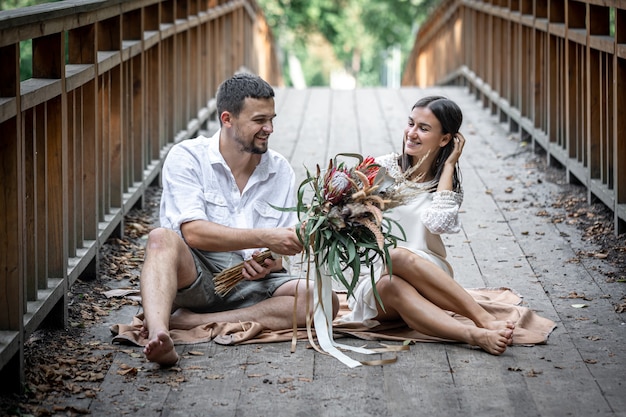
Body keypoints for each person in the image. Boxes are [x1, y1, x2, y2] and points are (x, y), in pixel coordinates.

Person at [140, 73, 338, 366]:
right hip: (197, 275)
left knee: (324, 300)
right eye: (259, 120)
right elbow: (193, 233)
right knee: (160, 238)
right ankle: (159, 334)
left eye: (272, 119)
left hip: (254, 285)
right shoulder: (187, 157)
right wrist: (265, 238)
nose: (269, 129)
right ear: (227, 119)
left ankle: (190, 322)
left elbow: (277, 254)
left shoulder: (279, 170)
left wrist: (271, 260)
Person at [340, 96, 515, 355]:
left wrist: (449, 166)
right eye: (411, 124)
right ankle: (475, 334)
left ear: (445, 139)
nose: (411, 133)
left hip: (429, 278)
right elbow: (345, 212)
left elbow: (438, 223)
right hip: (379, 282)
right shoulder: (383, 169)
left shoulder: (446, 184)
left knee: (398, 257)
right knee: (392, 273)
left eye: (423, 128)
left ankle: (481, 322)